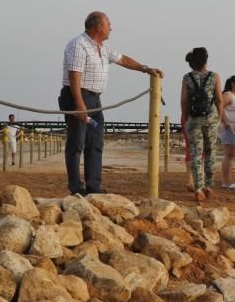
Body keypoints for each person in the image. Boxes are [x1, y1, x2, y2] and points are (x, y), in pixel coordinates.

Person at [59, 11, 161, 195]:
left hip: (95, 100)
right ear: (98, 27)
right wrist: (79, 104)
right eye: (108, 24)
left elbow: (123, 59)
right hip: (78, 97)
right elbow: (74, 75)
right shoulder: (78, 45)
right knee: (76, 143)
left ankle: (93, 187)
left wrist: (145, 69)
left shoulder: (102, 47)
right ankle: (76, 189)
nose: (111, 28)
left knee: (96, 142)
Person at [181, 47, 223, 203]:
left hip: (194, 119)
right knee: (210, 152)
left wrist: (185, 120)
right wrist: (219, 117)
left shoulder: (187, 78)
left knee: (195, 154)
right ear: (206, 60)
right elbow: (219, 99)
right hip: (211, 118)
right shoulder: (214, 76)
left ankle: (198, 188)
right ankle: (208, 186)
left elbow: (184, 101)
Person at [219, 75, 235, 189]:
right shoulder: (228, 95)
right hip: (229, 129)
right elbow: (218, 107)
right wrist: (225, 122)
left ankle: (228, 181)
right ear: (232, 84)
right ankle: (226, 182)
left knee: (231, 155)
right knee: (229, 155)